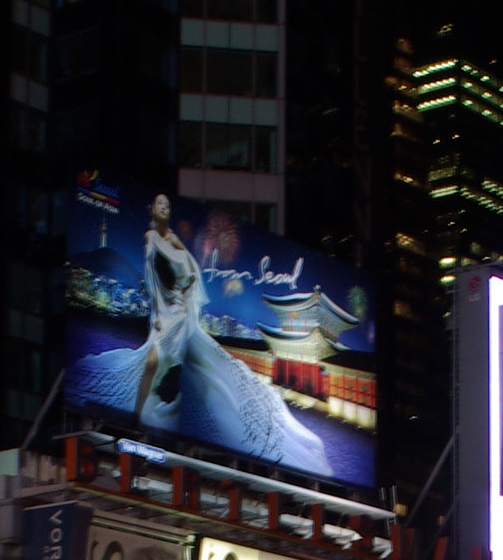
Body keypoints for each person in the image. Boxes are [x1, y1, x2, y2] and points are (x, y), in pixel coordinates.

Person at [75, 193, 329, 473]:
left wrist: (183, 291)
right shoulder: (152, 238)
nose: (164, 208)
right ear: (153, 209)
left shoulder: (174, 240)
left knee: (193, 369)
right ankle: (137, 416)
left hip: (180, 313)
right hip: (165, 312)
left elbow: (190, 274)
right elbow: (153, 276)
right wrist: (158, 312)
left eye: (167, 205)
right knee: (153, 363)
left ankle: (181, 420)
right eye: (160, 204)